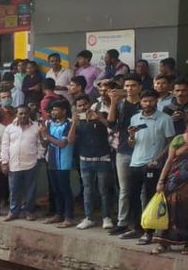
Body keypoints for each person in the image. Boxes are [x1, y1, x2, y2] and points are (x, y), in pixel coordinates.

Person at [123, 89, 176, 245]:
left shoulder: (165, 119)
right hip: (135, 162)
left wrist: (157, 160)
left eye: (151, 101)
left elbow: (171, 143)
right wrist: (131, 136)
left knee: (150, 198)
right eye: (145, 101)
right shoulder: (135, 118)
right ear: (140, 101)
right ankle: (137, 228)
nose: (148, 104)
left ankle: (149, 232)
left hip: (153, 165)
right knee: (132, 196)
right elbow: (132, 144)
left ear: (156, 101)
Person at [72, 94, 115, 229]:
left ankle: (106, 217)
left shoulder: (100, 114)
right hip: (85, 160)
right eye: (79, 106)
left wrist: (100, 118)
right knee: (87, 190)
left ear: (90, 103)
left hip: (103, 158)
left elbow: (112, 127)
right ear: (76, 108)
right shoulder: (78, 121)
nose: (83, 108)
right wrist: (73, 122)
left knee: (104, 189)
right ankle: (88, 217)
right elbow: (70, 140)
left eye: (85, 104)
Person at [108, 74, 143, 235]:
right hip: (122, 150)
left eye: (133, 85)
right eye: (127, 86)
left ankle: (142, 222)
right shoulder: (121, 104)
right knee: (124, 189)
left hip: (142, 151)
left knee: (141, 190)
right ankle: (122, 222)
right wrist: (113, 102)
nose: (130, 89)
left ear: (139, 87)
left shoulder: (145, 105)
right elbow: (111, 123)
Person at [0, 105, 44, 221]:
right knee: (14, 190)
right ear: (16, 114)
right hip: (14, 164)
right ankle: (13, 211)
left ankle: (29, 211)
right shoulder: (9, 128)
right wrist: (4, 161)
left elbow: (40, 144)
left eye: (25, 113)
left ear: (29, 114)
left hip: (31, 163)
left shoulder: (36, 127)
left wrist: (38, 158)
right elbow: (5, 145)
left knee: (30, 190)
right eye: (21, 113)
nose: (23, 116)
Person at [154, 123, 188, 253]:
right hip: (174, 181)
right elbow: (169, 160)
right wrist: (161, 181)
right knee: (168, 210)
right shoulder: (178, 139)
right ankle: (163, 243)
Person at [41, 99, 75, 227]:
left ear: (64, 111)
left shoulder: (69, 124)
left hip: (63, 161)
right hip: (51, 160)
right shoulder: (49, 123)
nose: (53, 112)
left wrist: (47, 135)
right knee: (55, 189)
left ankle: (69, 216)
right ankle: (58, 213)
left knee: (64, 189)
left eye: (56, 109)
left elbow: (62, 143)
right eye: (53, 109)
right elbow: (45, 143)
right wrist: (41, 135)